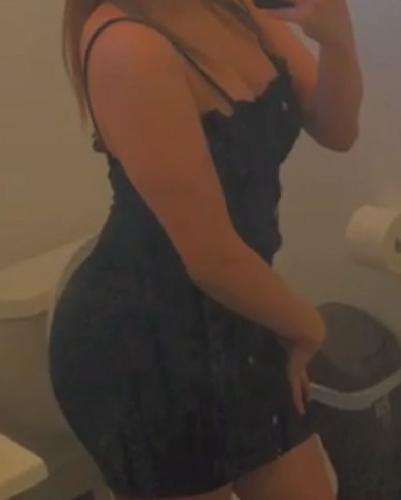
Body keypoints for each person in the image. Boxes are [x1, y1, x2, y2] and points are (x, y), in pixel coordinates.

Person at [49, 1, 363, 499]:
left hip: (240, 308)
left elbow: (337, 128)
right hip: (146, 343)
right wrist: (308, 326)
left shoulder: (236, 9)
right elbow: (210, 256)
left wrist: (337, 39)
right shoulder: (127, 46)